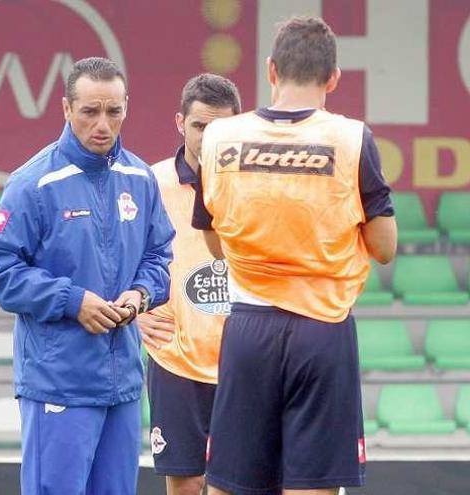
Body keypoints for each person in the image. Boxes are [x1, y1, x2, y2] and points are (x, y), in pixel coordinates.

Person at [192, 16, 397, 495]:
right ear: (333, 78)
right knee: (313, 486)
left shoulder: (220, 137)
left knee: (229, 485)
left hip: (246, 328)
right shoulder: (351, 139)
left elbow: (212, 235)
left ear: (270, 70)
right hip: (321, 331)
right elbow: (384, 249)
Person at [0, 57, 175, 495]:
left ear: (127, 108)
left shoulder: (140, 178)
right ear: (66, 109)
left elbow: (160, 254)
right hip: (58, 381)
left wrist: (141, 294)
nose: (103, 124)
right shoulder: (33, 183)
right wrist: (73, 302)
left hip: (122, 383)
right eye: (90, 111)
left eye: (114, 111)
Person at [139, 73, 240, 495]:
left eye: (221, 127)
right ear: (180, 123)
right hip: (176, 356)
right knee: (186, 482)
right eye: (200, 126)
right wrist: (133, 314)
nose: (209, 137)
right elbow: (114, 260)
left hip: (245, 357)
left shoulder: (253, 181)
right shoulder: (149, 182)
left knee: (237, 483)